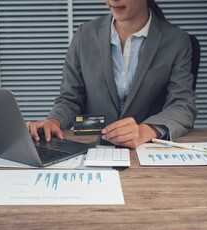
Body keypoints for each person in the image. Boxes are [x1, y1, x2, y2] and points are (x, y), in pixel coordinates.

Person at [26, 0, 197, 148]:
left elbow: (182, 105)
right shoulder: (84, 35)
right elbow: (70, 98)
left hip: (146, 149)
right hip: (93, 145)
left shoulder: (177, 41)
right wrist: (54, 121)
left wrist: (145, 131)